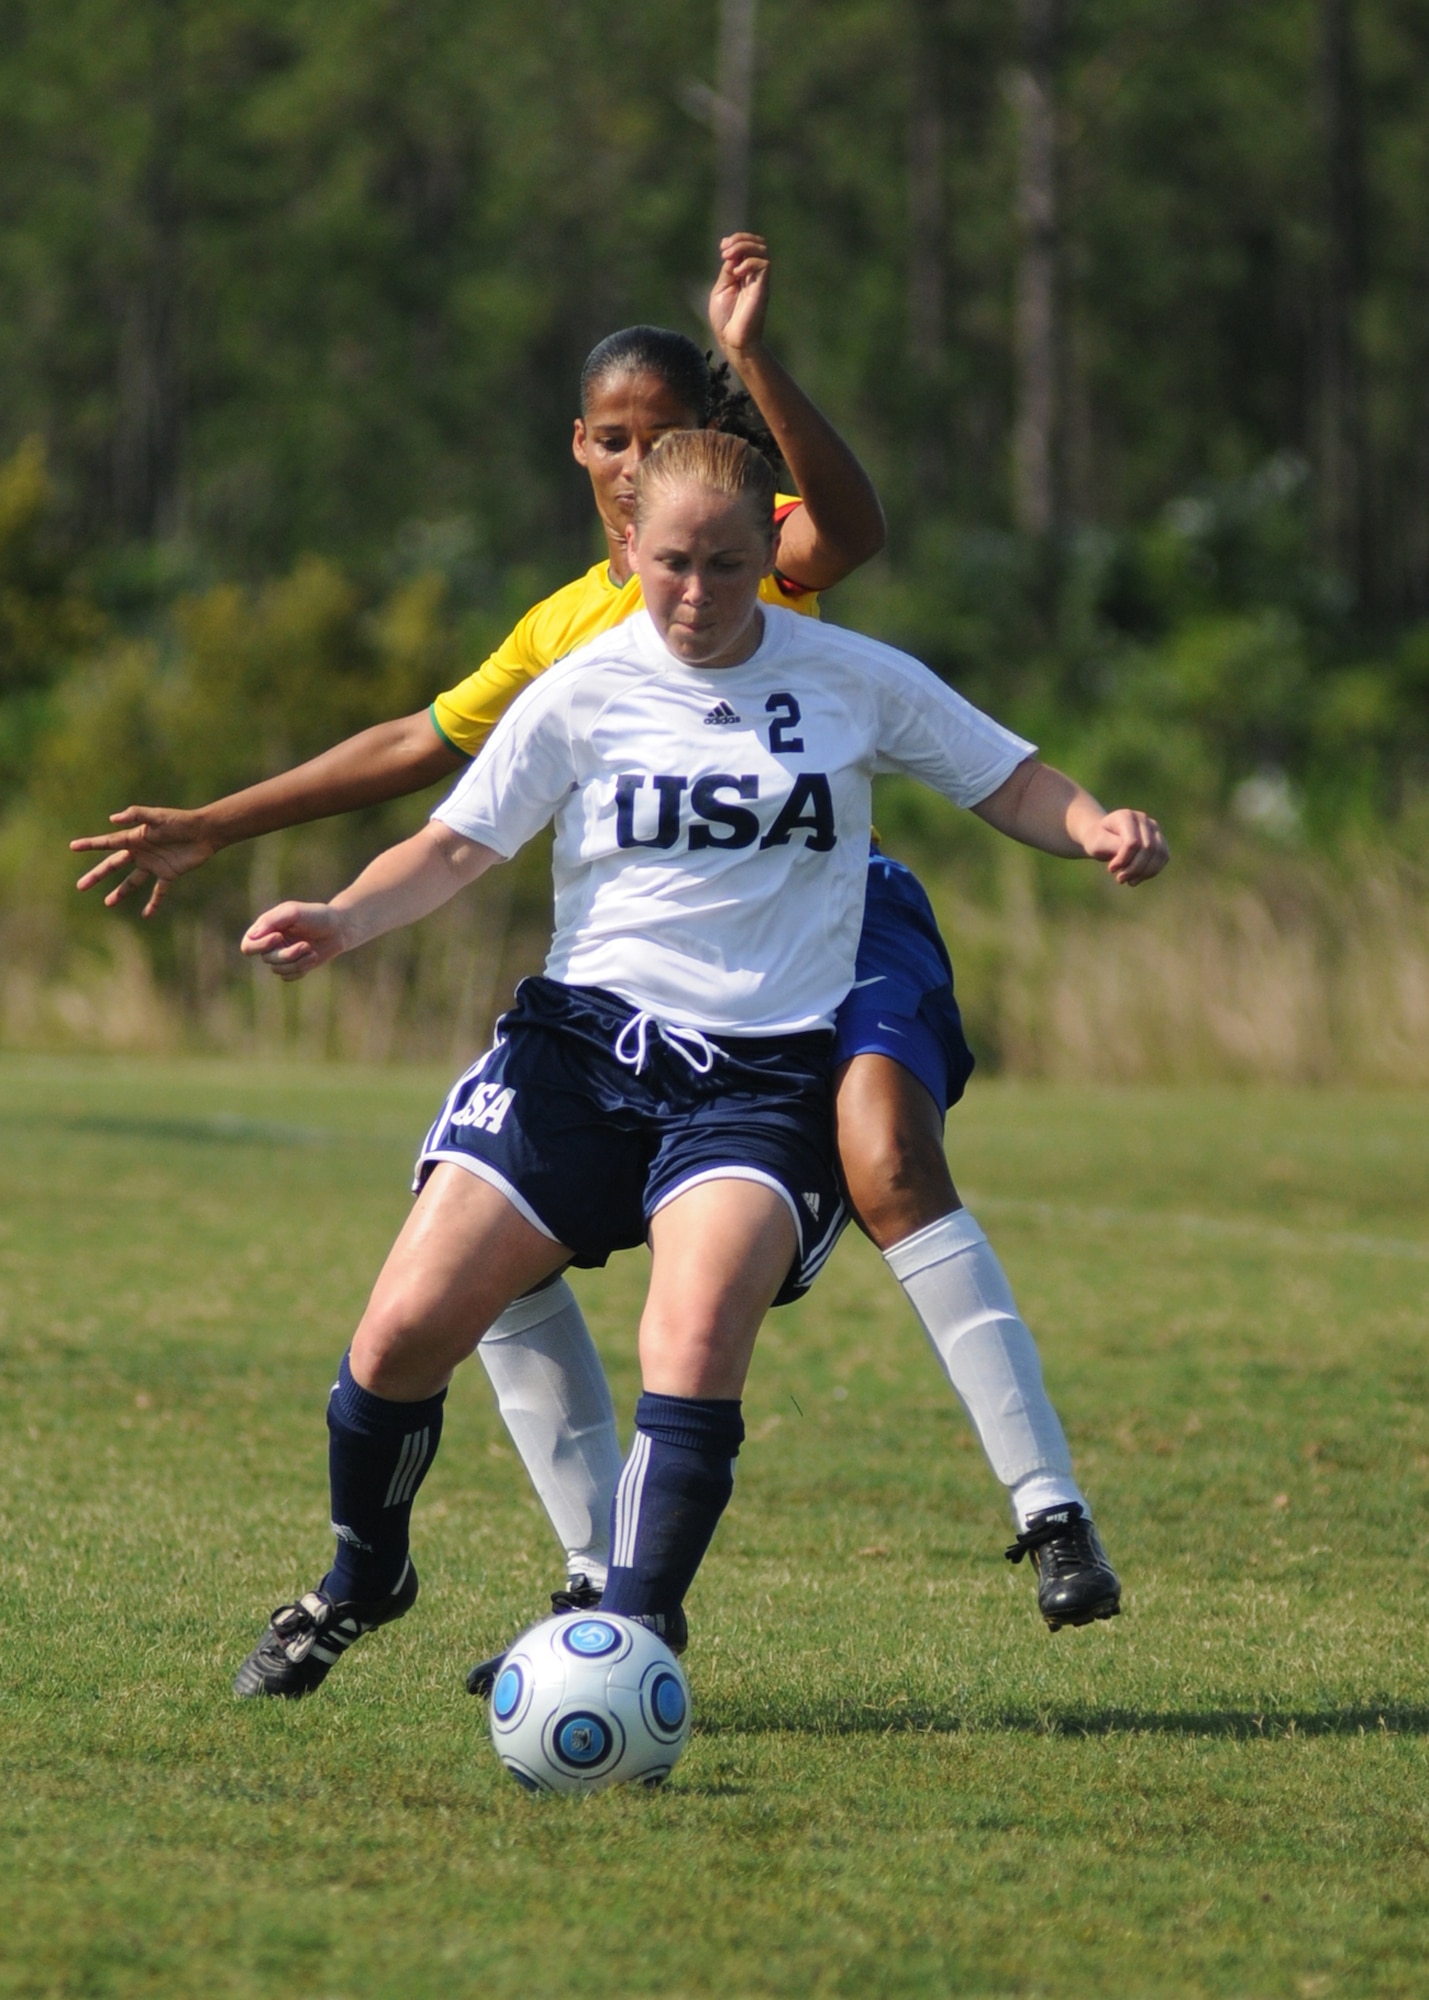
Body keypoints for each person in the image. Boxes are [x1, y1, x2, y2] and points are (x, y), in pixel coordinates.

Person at [74, 237, 1116, 1640]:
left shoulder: (797, 594)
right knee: (438, 1295)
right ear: (592, 476)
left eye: (670, 459)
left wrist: (1099, 821)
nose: (678, 551)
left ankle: (1022, 1509)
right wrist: (258, 848)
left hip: (819, 940)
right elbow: (432, 783)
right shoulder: (570, 650)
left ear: (744, 506)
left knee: (877, 1166)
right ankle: (554, 1579)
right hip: (600, 1026)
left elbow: (883, 579)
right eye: (617, 456)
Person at [232, 431, 1166, 1698]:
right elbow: (455, 849)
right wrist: (342, 918)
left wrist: (1094, 823)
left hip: (758, 1080)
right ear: (627, 548)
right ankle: (363, 1573)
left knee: (691, 1341)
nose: (697, 592)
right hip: (579, 1053)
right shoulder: (578, 687)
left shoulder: (850, 677)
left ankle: (625, 1635)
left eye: (729, 565)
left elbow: (1007, 780)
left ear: (764, 555)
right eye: (670, 562)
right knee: (399, 1335)